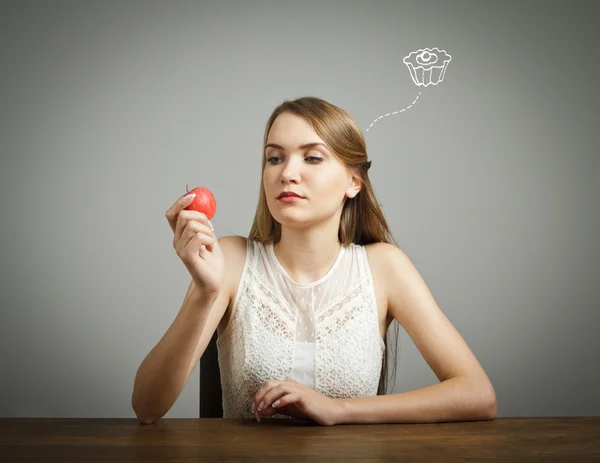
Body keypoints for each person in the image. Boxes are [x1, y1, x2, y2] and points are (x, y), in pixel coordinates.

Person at [132, 97, 497, 426]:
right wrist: (204, 292)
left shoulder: (386, 268)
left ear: (354, 182)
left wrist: (338, 410)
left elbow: (477, 395)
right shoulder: (230, 258)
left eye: (312, 157)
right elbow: (147, 407)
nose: (287, 173)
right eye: (274, 158)